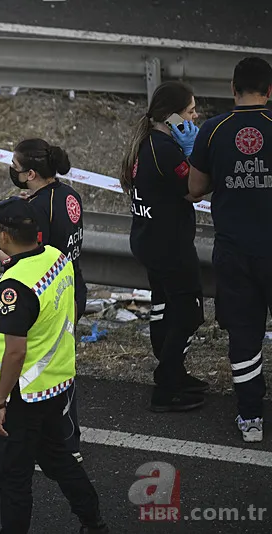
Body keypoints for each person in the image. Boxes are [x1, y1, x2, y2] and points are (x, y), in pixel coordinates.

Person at [0, 197, 108, 534]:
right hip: (57, 383)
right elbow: (30, 274)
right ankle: (94, 522)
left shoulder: (12, 289)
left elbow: (15, 352)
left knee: (12, 476)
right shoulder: (54, 256)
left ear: (4, 233)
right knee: (58, 458)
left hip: (24, 394)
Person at [0, 139, 87, 460]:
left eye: (16, 168)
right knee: (62, 361)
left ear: (30, 173)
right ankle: (68, 441)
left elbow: (30, 261)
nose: (12, 171)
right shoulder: (68, 195)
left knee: (41, 367)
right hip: (72, 287)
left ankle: (56, 446)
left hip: (47, 298)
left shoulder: (36, 209)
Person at [189, 57, 272, 442]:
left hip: (234, 251)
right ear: (270, 91)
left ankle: (250, 417)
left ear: (232, 89)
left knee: (243, 334)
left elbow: (194, 189)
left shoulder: (212, 129)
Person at [118, 81, 209, 413]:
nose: (195, 115)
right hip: (168, 245)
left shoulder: (148, 143)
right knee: (188, 312)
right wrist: (195, 154)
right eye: (189, 110)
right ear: (172, 117)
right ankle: (167, 383)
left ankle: (175, 374)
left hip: (150, 240)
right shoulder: (166, 150)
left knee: (164, 307)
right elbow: (194, 190)